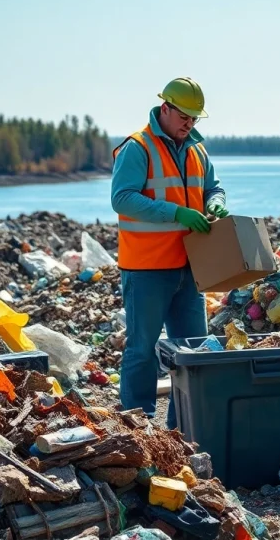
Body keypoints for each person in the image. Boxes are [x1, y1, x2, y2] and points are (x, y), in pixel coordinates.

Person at [110, 77, 228, 429]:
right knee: (141, 348)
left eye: (195, 118)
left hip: (190, 267)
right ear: (165, 108)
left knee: (190, 348)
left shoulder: (197, 150)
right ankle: (139, 424)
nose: (189, 123)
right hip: (147, 268)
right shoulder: (138, 148)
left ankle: (183, 425)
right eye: (184, 116)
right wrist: (176, 212)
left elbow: (213, 186)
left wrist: (216, 202)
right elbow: (122, 198)